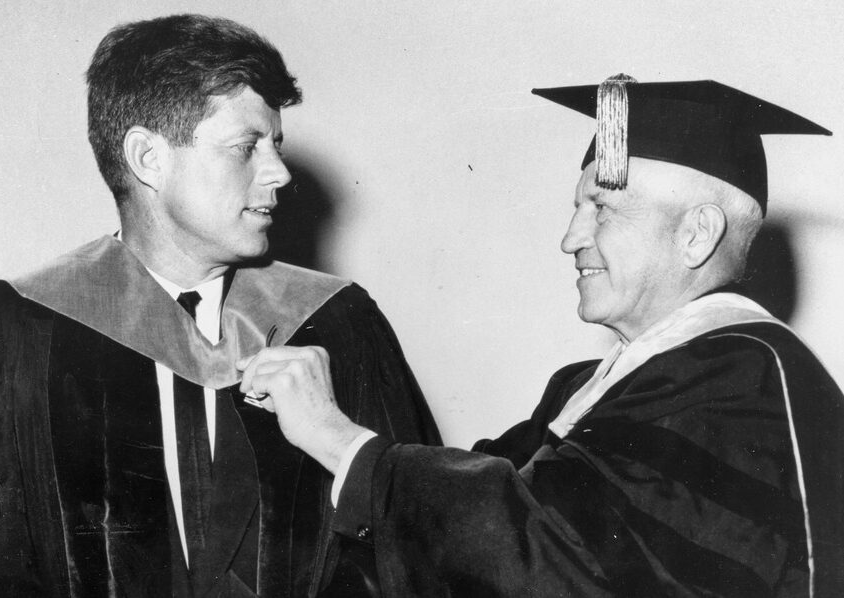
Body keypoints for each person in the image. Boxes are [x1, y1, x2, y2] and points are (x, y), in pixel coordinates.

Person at [240, 76, 844, 597]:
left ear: (697, 233)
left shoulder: (744, 381)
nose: (570, 238)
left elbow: (558, 565)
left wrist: (337, 439)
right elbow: (472, 504)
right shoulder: (595, 386)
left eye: (602, 208)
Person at [0, 14, 440, 598]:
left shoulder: (338, 323)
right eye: (245, 147)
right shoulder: (5, 334)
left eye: (276, 144)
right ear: (147, 157)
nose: (279, 172)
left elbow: (411, 552)